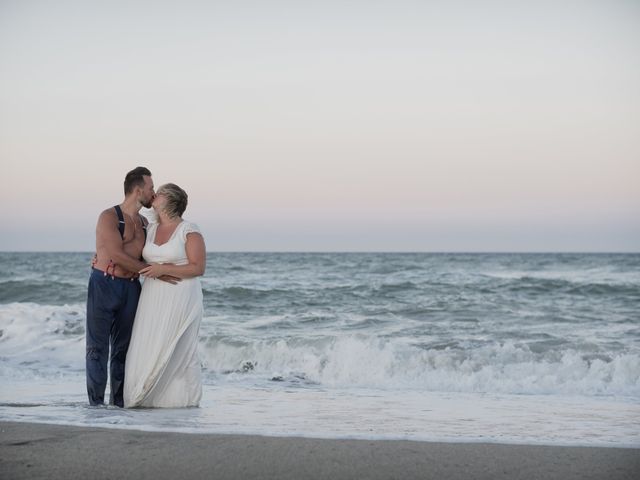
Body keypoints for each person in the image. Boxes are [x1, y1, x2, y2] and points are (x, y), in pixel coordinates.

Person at [86, 167, 179, 408]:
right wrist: (152, 272)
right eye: (151, 188)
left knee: (123, 350)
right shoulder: (108, 216)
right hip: (104, 285)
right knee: (98, 349)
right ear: (138, 190)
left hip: (131, 288)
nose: (153, 192)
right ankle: (96, 407)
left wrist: (171, 268)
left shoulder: (145, 222)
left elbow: (148, 256)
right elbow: (116, 255)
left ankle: (118, 406)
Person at [124, 183, 206, 408]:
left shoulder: (188, 230)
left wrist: (164, 269)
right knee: (149, 344)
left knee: (176, 347)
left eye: (158, 193)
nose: (154, 195)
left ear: (169, 200)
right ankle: (142, 399)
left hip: (181, 295)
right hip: (152, 296)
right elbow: (131, 253)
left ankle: (182, 405)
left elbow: (198, 268)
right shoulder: (149, 228)